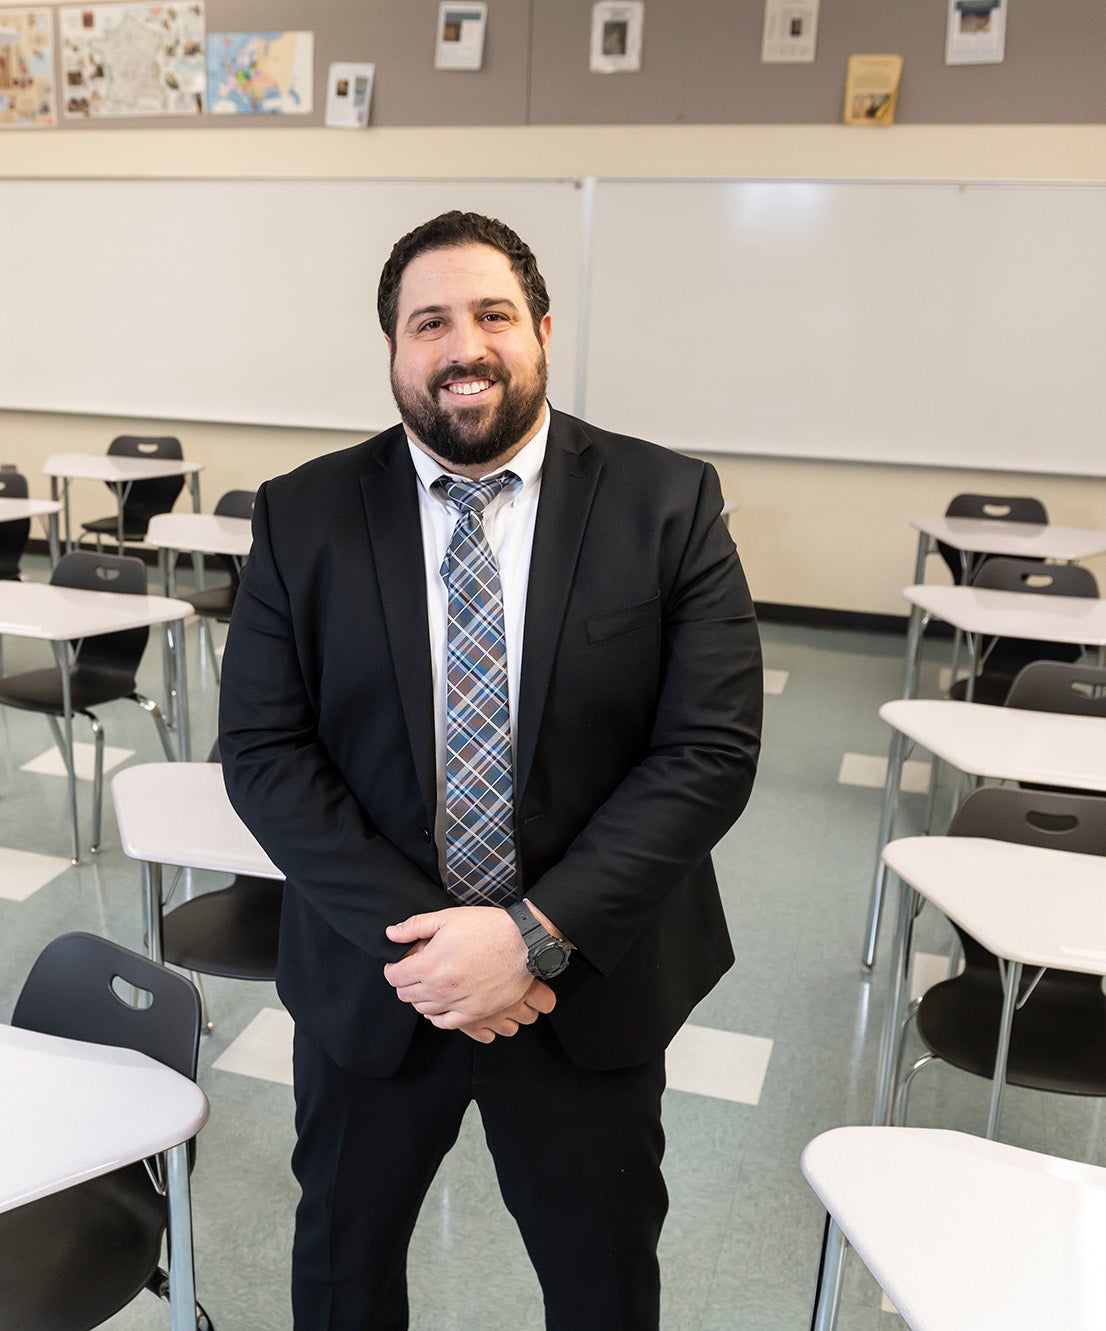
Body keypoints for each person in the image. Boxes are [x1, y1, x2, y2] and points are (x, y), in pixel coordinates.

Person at [220, 210, 763, 1330]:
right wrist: (438, 946)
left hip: (584, 985)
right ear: (392, 352)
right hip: (380, 980)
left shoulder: (667, 502)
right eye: (428, 322)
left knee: (601, 1281)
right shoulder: (302, 513)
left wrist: (523, 934)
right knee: (339, 1275)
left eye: (491, 315)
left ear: (543, 332)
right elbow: (267, 753)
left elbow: (705, 752)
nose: (461, 344)